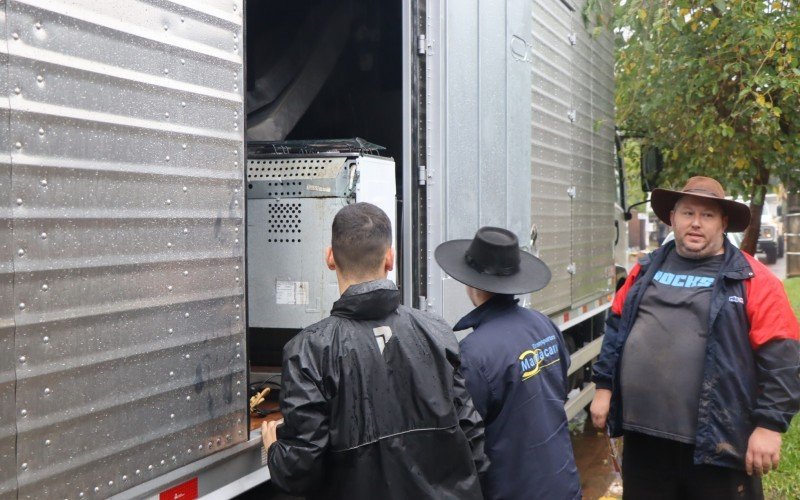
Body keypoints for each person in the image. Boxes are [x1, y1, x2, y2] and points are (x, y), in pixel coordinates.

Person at [590, 176, 800, 499]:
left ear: (724, 223)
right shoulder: (644, 271)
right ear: (672, 217)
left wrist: (770, 425)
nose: (696, 223)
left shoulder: (753, 279)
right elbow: (617, 325)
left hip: (718, 444)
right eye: (688, 213)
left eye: (708, 215)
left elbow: (784, 359)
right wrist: (604, 386)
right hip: (645, 444)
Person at [262, 202, 489, 499]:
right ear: (390, 258)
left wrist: (274, 450)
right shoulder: (437, 330)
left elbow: (299, 471)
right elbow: (472, 436)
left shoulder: (308, 351)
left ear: (330, 258)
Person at [435, 226, 582, 500]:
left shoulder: (473, 353)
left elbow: (463, 440)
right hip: (563, 483)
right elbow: (558, 386)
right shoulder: (543, 324)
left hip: (515, 490)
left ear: (470, 282)